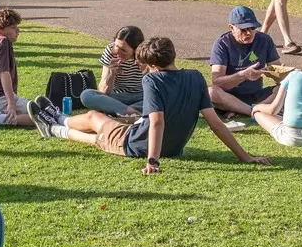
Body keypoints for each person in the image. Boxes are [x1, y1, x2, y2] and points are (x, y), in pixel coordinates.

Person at [41, 36, 269, 173]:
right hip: (173, 148)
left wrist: (153, 160)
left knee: (95, 122)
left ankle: (56, 123)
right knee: (102, 129)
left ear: (150, 64)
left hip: (140, 146)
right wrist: (244, 156)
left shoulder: (152, 79)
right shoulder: (195, 77)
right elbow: (216, 123)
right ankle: (54, 121)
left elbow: (157, 122)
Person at [207, 5, 280, 119]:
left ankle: (246, 111)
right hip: (230, 97)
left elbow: (277, 71)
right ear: (231, 28)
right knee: (211, 92)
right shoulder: (222, 44)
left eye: (252, 28)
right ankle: (254, 112)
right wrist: (243, 75)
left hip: (257, 95)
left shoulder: (265, 40)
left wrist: (282, 73)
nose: (249, 33)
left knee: (286, 88)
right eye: (243, 29)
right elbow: (217, 82)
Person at [79, 25, 147, 117]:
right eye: (116, 46)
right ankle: (132, 112)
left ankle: (122, 111)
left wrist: (146, 70)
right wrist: (111, 73)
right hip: (117, 97)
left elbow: (157, 87)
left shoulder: (145, 54)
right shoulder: (111, 51)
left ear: (135, 50)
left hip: (142, 96)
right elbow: (103, 91)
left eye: (123, 50)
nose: (118, 52)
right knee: (86, 95)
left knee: (166, 97)